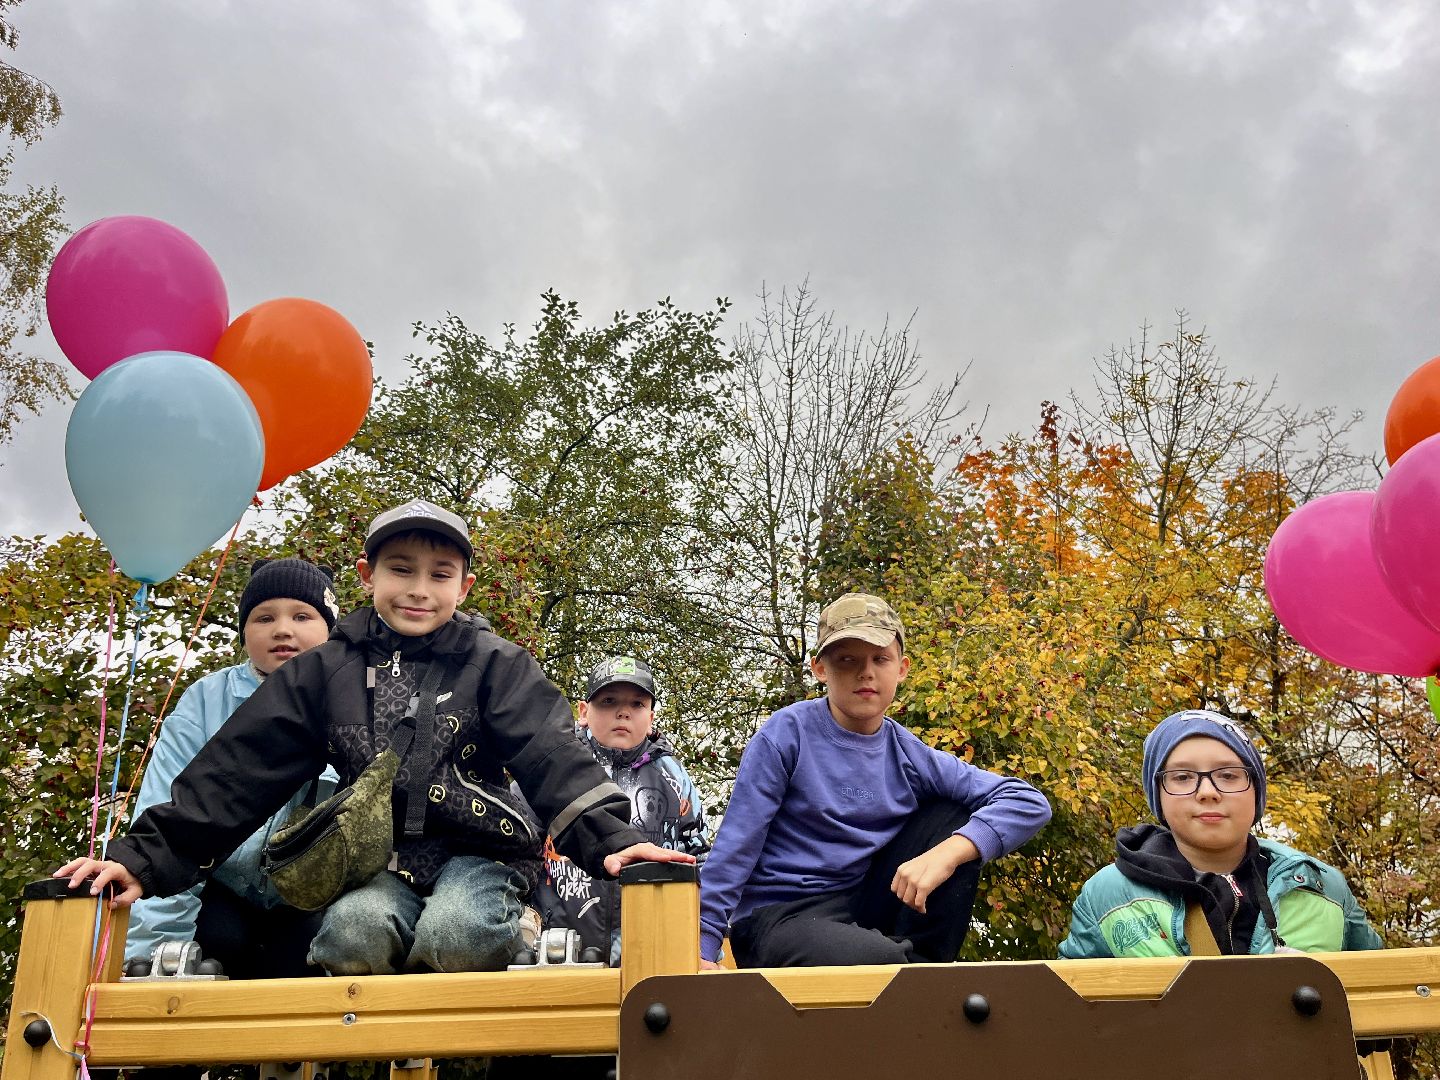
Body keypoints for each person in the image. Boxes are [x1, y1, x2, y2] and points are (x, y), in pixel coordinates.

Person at [59, 498, 692, 975]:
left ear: (464, 586)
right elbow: (241, 769)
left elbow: (550, 753)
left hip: (483, 852)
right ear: (368, 574)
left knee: (456, 937)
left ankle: (516, 938)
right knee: (348, 937)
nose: (419, 589)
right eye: (401, 569)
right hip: (385, 860)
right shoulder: (327, 670)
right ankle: (390, 1048)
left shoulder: (494, 664)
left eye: (440, 575)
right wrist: (143, 858)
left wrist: (613, 839)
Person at [698, 592, 1052, 968]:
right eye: (847, 659)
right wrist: (702, 948)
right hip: (781, 917)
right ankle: (899, 969)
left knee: (954, 815)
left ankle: (924, 969)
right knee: (874, 959)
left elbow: (1028, 802)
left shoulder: (908, 754)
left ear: (901, 668)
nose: (865, 672)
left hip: (862, 909)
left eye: (880, 659)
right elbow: (736, 845)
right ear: (820, 668)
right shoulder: (787, 734)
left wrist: (948, 852)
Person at [125, 558, 340, 979]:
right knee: (211, 947)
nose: (282, 629)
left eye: (302, 616)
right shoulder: (205, 700)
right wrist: (157, 954)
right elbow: (163, 816)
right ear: (244, 633)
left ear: (330, 628)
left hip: (313, 901)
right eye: (264, 617)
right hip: (216, 891)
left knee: (326, 952)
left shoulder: (356, 705)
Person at [1058, 709, 1383, 958]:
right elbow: (1071, 1010)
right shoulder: (1108, 893)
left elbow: (1379, 999)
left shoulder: (1323, 884)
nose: (1208, 792)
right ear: (1158, 794)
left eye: (1228, 775)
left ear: (1256, 792)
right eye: (1183, 777)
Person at [535, 656, 709, 965]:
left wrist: (704, 940)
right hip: (560, 947)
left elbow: (700, 859)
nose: (623, 712)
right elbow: (515, 850)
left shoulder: (674, 778)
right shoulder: (553, 769)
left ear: (651, 716)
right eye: (608, 701)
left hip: (652, 947)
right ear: (584, 712)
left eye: (638, 704)